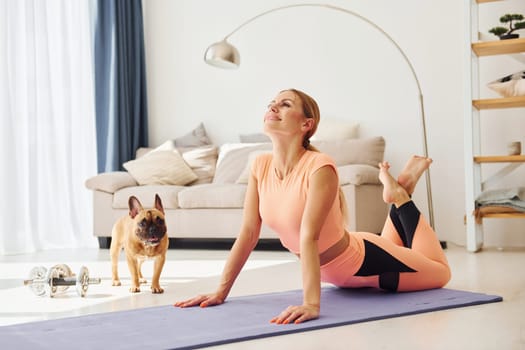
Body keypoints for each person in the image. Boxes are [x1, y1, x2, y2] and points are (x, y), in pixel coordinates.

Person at [174, 88, 451, 325]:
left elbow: (309, 236)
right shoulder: (260, 165)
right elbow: (248, 234)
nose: (273, 106)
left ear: (307, 124)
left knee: (440, 272)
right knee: (405, 252)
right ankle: (400, 192)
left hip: (363, 263)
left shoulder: (320, 167)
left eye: (285, 104)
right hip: (342, 273)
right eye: (272, 102)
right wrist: (220, 292)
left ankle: (402, 197)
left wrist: (311, 304)